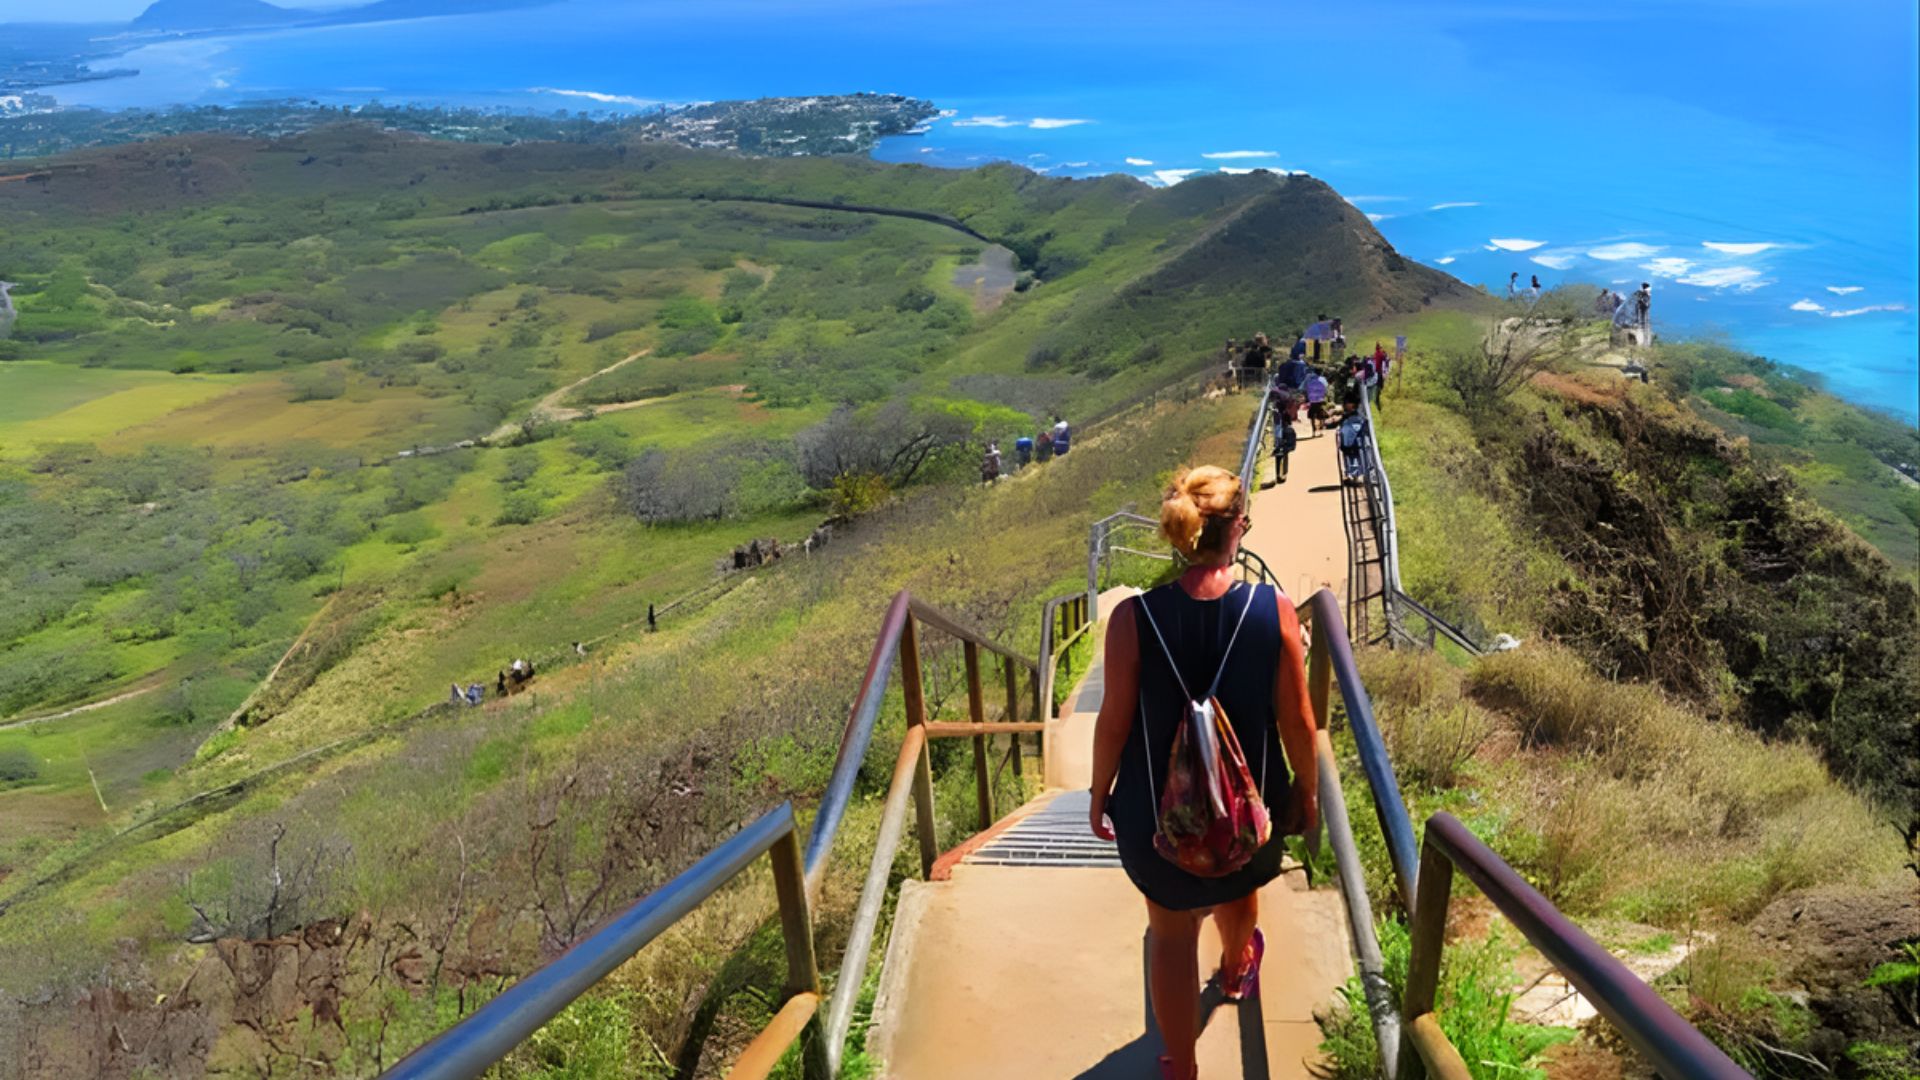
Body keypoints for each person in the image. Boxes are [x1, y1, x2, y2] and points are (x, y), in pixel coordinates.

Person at [1087, 466, 1318, 1080]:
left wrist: (1097, 794)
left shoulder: (1133, 620)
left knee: (1168, 934)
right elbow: (1298, 720)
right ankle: (1239, 966)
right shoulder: (1275, 610)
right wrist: (1307, 792)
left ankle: (1182, 1063)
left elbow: (1112, 722)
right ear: (1237, 526)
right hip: (1249, 809)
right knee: (1238, 885)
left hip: (1154, 817)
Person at [1337, 404, 1368, 483]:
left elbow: (1341, 433)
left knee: (1350, 459)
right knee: (1360, 457)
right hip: (1358, 443)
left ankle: (1352, 476)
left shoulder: (1346, 422)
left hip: (1347, 445)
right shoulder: (1360, 420)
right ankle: (1359, 475)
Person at [1273, 412, 1299, 484]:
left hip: (1280, 445)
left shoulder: (1277, 416)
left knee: (1280, 458)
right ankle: (1282, 475)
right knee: (1283, 457)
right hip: (1284, 446)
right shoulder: (1289, 429)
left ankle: (1280, 474)